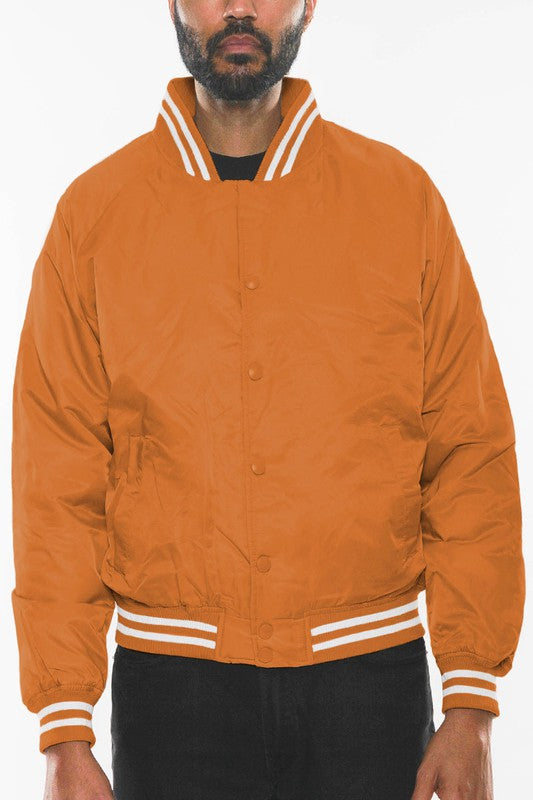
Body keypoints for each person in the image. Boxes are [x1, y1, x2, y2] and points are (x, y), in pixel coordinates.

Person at [11, 2, 525, 799]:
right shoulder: (96, 215)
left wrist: (470, 701)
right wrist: (63, 725)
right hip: (172, 690)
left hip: (369, 684)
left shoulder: (399, 200)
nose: (240, 8)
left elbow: (468, 449)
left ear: (309, 4)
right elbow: (56, 478)